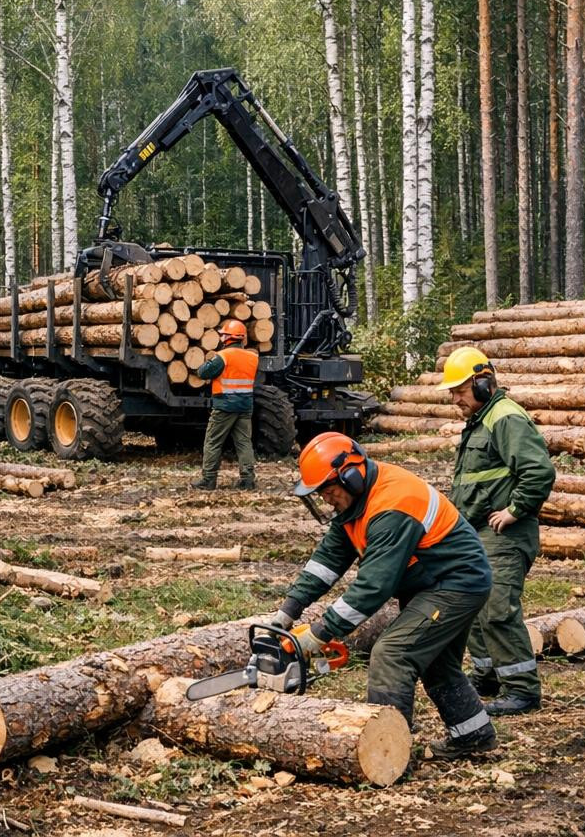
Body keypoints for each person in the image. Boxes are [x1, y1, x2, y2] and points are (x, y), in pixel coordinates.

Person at [269, 432, 498, 759]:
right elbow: (327, 560)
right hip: (430, 584)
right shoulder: (356, 504)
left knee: (392, 654)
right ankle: (473, 735)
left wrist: (321, 633)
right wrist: (287, 612)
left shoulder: (393, 504)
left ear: (350, 476)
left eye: (329, 491)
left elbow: (374, 586)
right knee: (436, 663)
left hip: (454, 584)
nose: (327, 500)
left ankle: (389, 753)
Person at [437, 346, 555, 716]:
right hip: (474, 531)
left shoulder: (504, 417)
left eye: (459, 390)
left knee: (498, 610)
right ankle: (486, 674)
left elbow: (539, 472)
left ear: (483, 382)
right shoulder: (480, 419)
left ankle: (522, 689)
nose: (455, 398)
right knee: (473, 604)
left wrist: (515, 510)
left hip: (503, 536)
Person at [191, 319, 259, 491]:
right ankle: (248, 479)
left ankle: (208, 479)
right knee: (244, 442)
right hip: (245, 405)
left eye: (223, 335)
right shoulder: (253, 357)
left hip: (225, 405)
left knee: (213, 441)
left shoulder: (223, 356)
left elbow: (203, 372)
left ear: (228, 338)